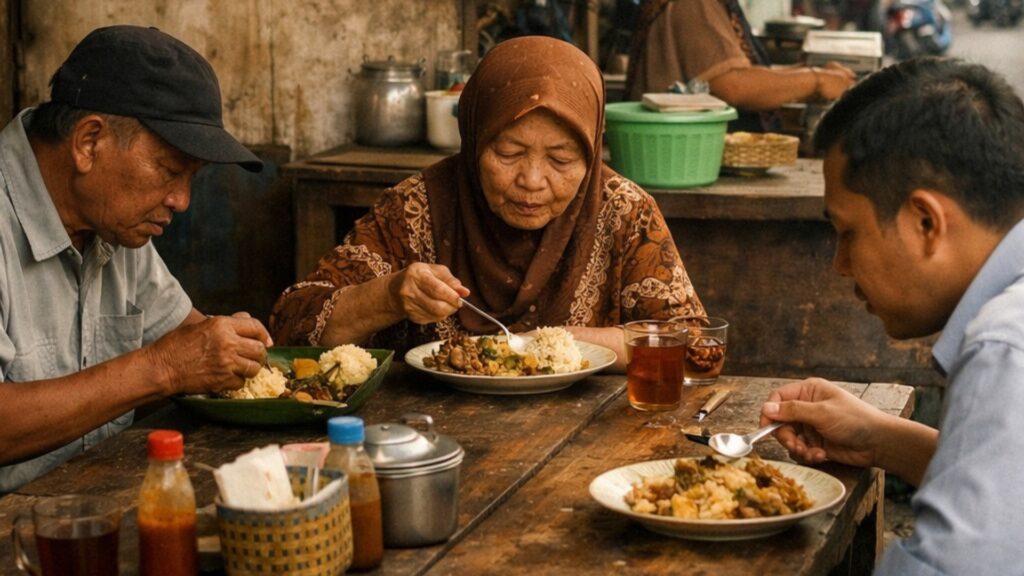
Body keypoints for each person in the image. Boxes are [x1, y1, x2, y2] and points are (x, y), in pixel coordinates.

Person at [270, 36, 704, 367]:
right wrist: (389, 295)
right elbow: (291, 323)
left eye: (561, 158)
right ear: (474, 136)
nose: (532, 181)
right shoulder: (416, 207)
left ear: (592, 152)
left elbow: (696, 347)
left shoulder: (624, 211)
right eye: (508, 154)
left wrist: (561, 343)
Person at [759, 57, 1024, 573]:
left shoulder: (1006, 347)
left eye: (848, 232)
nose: (840, 265)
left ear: (925, 221)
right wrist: (880, 438)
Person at [0, 25, 273, 493]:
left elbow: (187, 337)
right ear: (89, 143)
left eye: (192, 178)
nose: (181, 200)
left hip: (90, 503)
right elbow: (170, 359)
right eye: (169, 171)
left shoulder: (113, 225)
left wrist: (228, 349)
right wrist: (162, 369)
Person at [625, 0, 857, 132]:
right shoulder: (695, 3)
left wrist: (806, 72)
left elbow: (740, 72)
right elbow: (731, 84)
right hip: (679, 160)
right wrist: (815, 80)